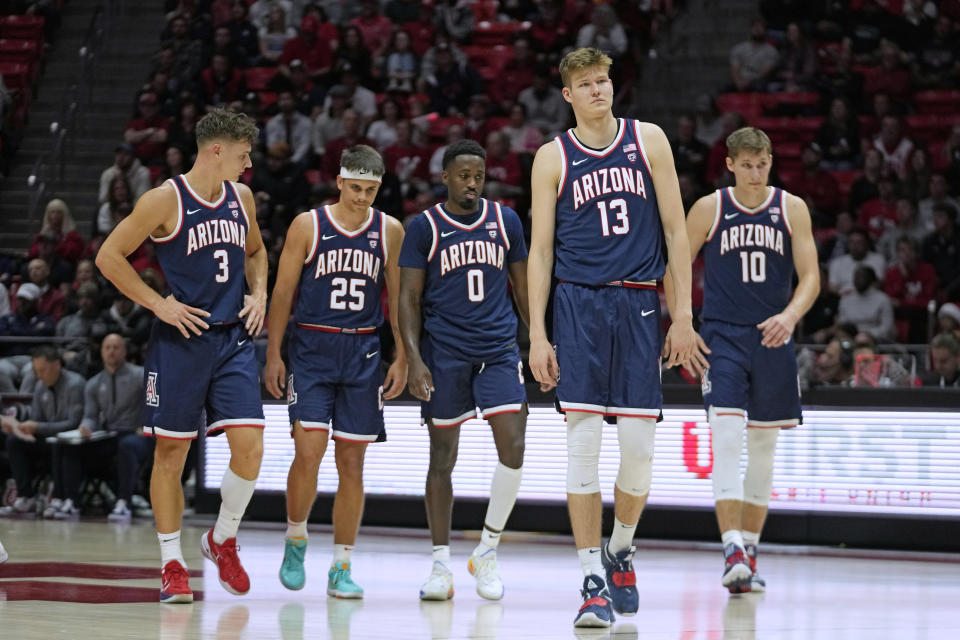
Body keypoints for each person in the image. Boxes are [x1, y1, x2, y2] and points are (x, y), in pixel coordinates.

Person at [526, 48, 697, 628]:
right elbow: (541, 252)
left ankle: (620, 547)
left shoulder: (648, 139)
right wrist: (537, 334)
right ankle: (591, 581)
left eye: (603, 80)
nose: (598, 90)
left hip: (640, 302)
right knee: (581, 449)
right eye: (585, 83)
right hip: (578, 305)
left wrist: (683, 315)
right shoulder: (553, 157)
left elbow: (676, 230)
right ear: (568, 94)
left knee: (639, 453)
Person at [96, 109, 268, 604]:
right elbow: (108, 256)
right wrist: (158, 302)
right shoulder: (162, 200)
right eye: (242, 154)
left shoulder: (243, 198)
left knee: (250, 447)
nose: (248, 162)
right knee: (171, 455)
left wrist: (258, 293)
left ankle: (221, 540)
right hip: (181, 340)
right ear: (217, 151)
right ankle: (172, 564)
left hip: (231, 338)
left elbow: (256, 253)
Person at [669, 126, 819, 594]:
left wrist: (792, 315)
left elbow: (811, 276)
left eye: (763, 164)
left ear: (771, 162)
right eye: (747, 165)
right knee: (728, 441)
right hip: (722, 338)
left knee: (763, 454)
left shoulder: (791, 208)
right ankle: (731, 544)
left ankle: (747, 553)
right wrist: (683, 322)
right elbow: (676, 266)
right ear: (730, 164)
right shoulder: (710, 209)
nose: (756, 173)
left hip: (773, 338)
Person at [263, 145, 407, 597]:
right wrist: (273, 354)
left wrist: (401, 354)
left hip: (363, 351)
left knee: (352, 464)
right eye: (356, 188)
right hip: (311, 348)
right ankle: (296, 538)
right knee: (308, 451)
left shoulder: (390, 230)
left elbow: (400, 301)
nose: (363, 197)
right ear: (340, 182)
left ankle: (341, 565)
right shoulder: (308, 225)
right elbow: (282, 293)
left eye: (371, 190)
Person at [398, 139, 530, 603]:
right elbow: (408, 299)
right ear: (446, 177)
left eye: (478, 175)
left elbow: (522, 288)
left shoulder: (506, 220)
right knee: (442, 458)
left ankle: (487, 551)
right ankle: (440, 564)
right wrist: (414, 358)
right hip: (445, 353)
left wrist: (539, 343)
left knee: (513, 446)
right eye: (463, 175)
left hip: (497, 349)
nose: (472, 183)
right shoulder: (424, 227)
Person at [53, 334, 152, 522]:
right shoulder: (94, 383)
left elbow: (154, 405)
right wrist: (85, 426)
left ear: (124, 351)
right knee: (70, 447)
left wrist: (146, 425)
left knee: (127, 445)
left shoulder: (141, 375)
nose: (111, 351)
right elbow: (90, 416)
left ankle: (124, 502)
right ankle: (71, 501)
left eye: (116, 347)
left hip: (137, 434)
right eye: (107, 347)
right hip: (109, 434)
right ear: (101, 352)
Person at [0, 345, 86, 518]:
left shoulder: (76, 384)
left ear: (57, 365)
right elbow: (36, 418)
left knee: (57, 443)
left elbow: (73, 423)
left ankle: (59, 498)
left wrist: (37, 427)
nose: (39, 375)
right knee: (14, 442)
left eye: (43, 370)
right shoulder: (40, 386)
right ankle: (26, 497)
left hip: (70, 443)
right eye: (36, 371)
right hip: (46, 439)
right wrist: (21, 428)